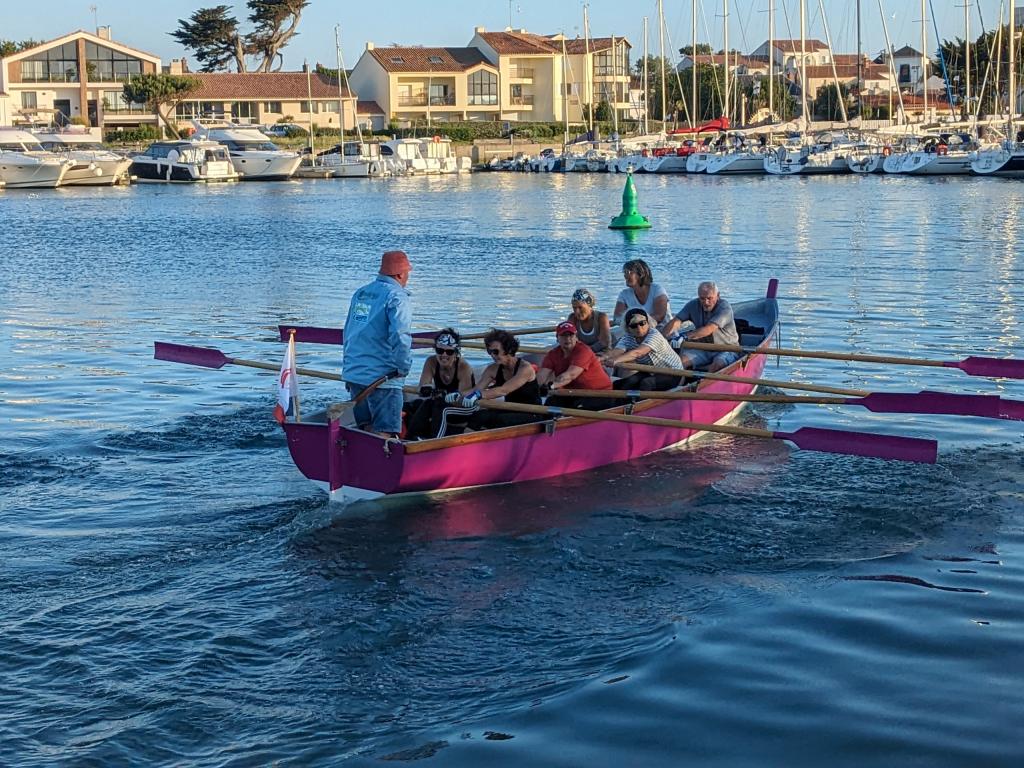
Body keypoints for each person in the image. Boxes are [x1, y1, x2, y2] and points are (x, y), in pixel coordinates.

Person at [341, 249, 413, 436]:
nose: (408, 278)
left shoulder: (362, 293)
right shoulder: (397, 297)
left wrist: (348, 368)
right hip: (383, 377)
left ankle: (362, 463)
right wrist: (403, 367)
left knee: (365, 430)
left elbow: (349, 331)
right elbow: (400, 335)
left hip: (356, 373)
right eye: (407, 274)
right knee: (385, 434)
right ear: (399, 274)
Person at [440, 329, 543, 434]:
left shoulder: (525, 368)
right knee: (479, 416)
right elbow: (476, 389)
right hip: (509, 409)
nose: (492, 355)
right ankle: (462, 444)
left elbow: (503, 390)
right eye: (490, 352)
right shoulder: (493, 369)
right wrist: (458, 394)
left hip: (532, 412)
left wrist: (478, 395)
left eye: (496, 351)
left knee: (501, 420)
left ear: (509, 349)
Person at [405, 328, 475, 440]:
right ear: (435, 349)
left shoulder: (463, 367)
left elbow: (462, 399)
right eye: (440, 351)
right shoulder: (431, 362)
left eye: (449, 352)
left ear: (456, 352)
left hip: (464, 408)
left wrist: (443, 397)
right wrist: (427, 390)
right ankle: (410, 439)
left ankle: (435, 442)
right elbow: (423, 387)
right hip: (441, 403)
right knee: (419, 404)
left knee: (441, 408)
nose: (444, 355)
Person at [661, 281, 740, 372]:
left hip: (726, 348)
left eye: (709, 298)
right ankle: (681, 383)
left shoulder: (725, 307)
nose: (706, 302)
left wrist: (685, 337)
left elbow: (709, 329)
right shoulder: (693, 305)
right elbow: (676, 321)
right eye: (702, 298)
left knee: (716, 366)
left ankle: (703, 381)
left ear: (718, 296)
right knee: (678, 363)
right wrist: (662, 338)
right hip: (703, 348)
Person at [600, 308, 685, 391]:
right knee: (625, 383)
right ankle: (616, 403)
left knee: (646, 383)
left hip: (673, 373)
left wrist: (615, 361)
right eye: (634, 325)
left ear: (648, 323)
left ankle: (641, 404)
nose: (639, 328)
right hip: (650, 371)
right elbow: (617, 351)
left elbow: (638, 353)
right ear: (628, 328)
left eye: (642, 323)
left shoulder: (654, 335)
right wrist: (600, 359)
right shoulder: (628, 337)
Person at [536, 321, 614, 410]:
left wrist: (551, 386)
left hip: (600, 393)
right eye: (564, 335)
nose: (568, 339)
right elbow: (541, 377)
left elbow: (570, 375)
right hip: (572, 393)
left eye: (571, 335)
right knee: (550, 403)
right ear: (557, 338)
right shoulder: (553, 354)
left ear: (576, 337)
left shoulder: (583, 351)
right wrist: (533, 388)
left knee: (578, 407)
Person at [612, 259, 671, 329]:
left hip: (661, 330)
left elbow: (659, 316)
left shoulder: (657, 290)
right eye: (624, 272)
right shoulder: (624, 294)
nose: (625, 276)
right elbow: (617, 318)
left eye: (628, 272)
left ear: (641, 274)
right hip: (634, 330)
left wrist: (637, 322)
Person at [567, 288, 612, 353]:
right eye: (574, 308)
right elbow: (569, 340)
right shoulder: (572, 318)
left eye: (580, 307)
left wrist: (584, 352)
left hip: (601, 353)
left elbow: (604, 342)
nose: (577, 312)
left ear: (589, 306)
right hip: (581, 353)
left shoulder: (601, 317)